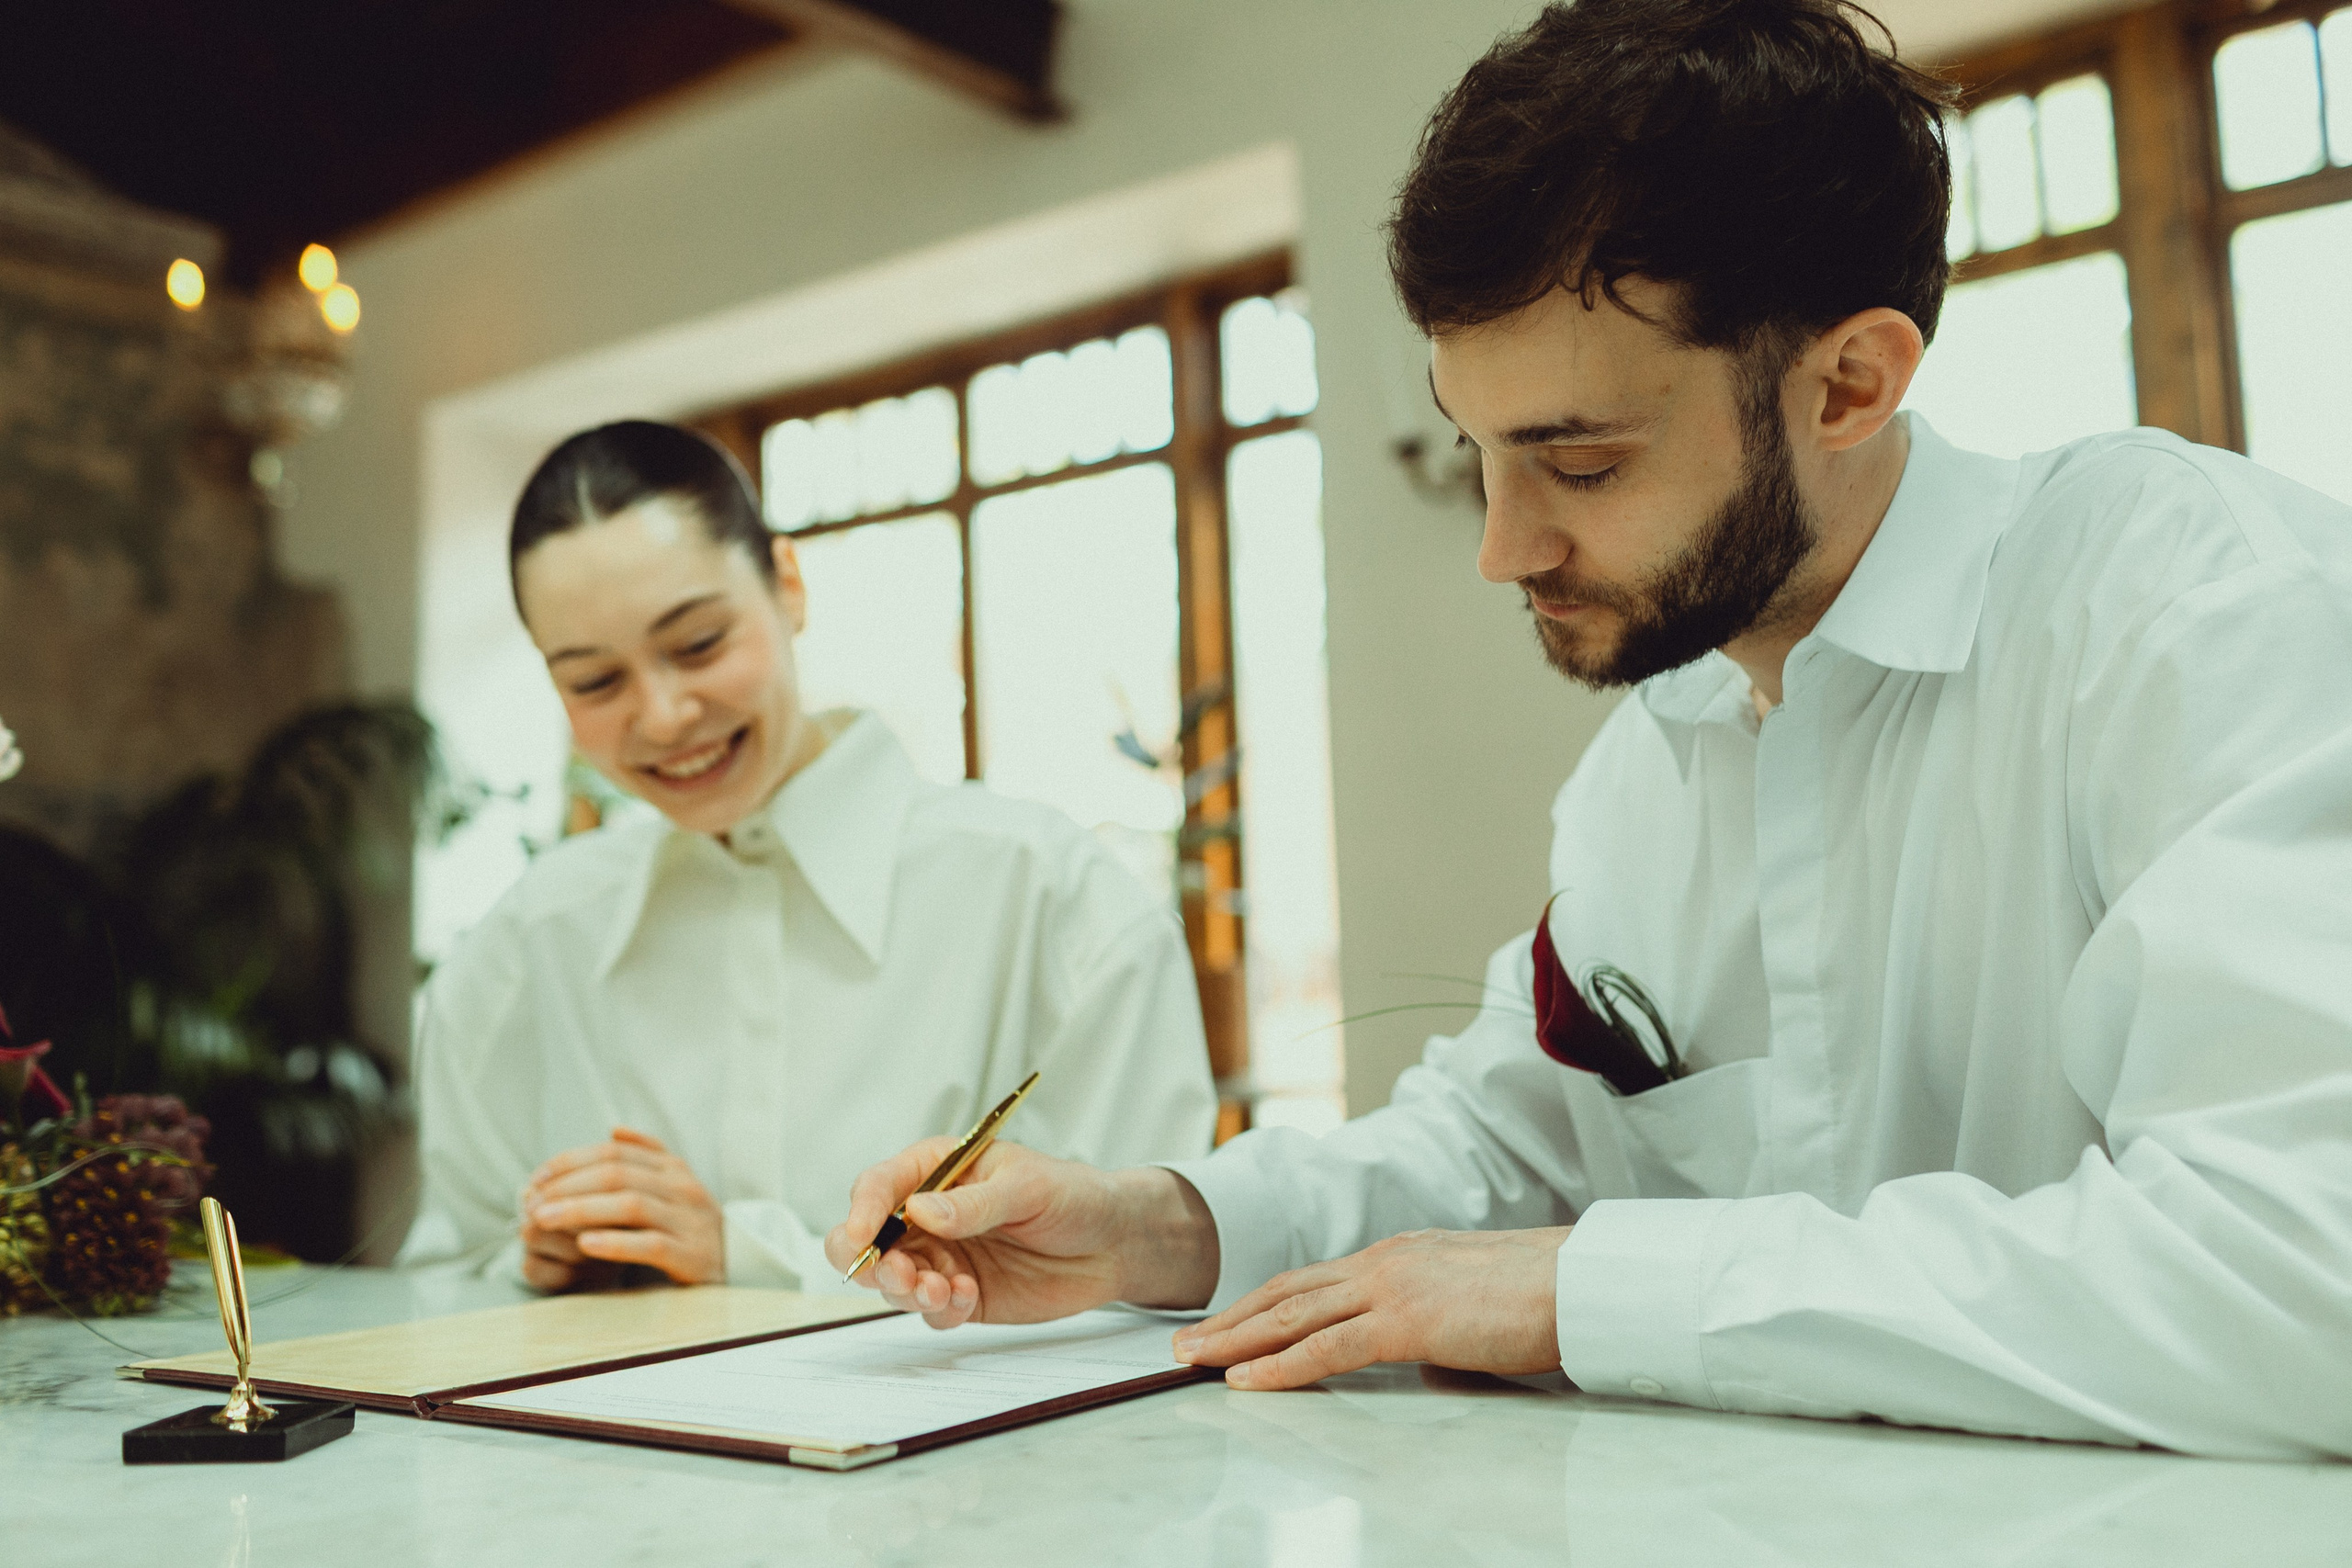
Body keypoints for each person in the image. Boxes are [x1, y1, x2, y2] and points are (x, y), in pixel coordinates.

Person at [823, 0, 2352, 1460]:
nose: (1503, 547)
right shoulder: (1659, 749)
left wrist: (1587, 1289)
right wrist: (1156, 1226)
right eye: (1479, 449)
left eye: (1583, 459)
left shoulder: (2192, 615)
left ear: (1850, 383)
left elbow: (2306, 1268)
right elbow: (1504, 1154)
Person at [397, 421, 1216, 1291]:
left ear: (788, 585)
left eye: (700, 643)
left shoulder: (1053, 901)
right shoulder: (519, 951)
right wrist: (534, 1268)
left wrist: (743, 1257)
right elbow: (440, 1286)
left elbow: (1140, 1280)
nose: (666, 715)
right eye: (596, 681)